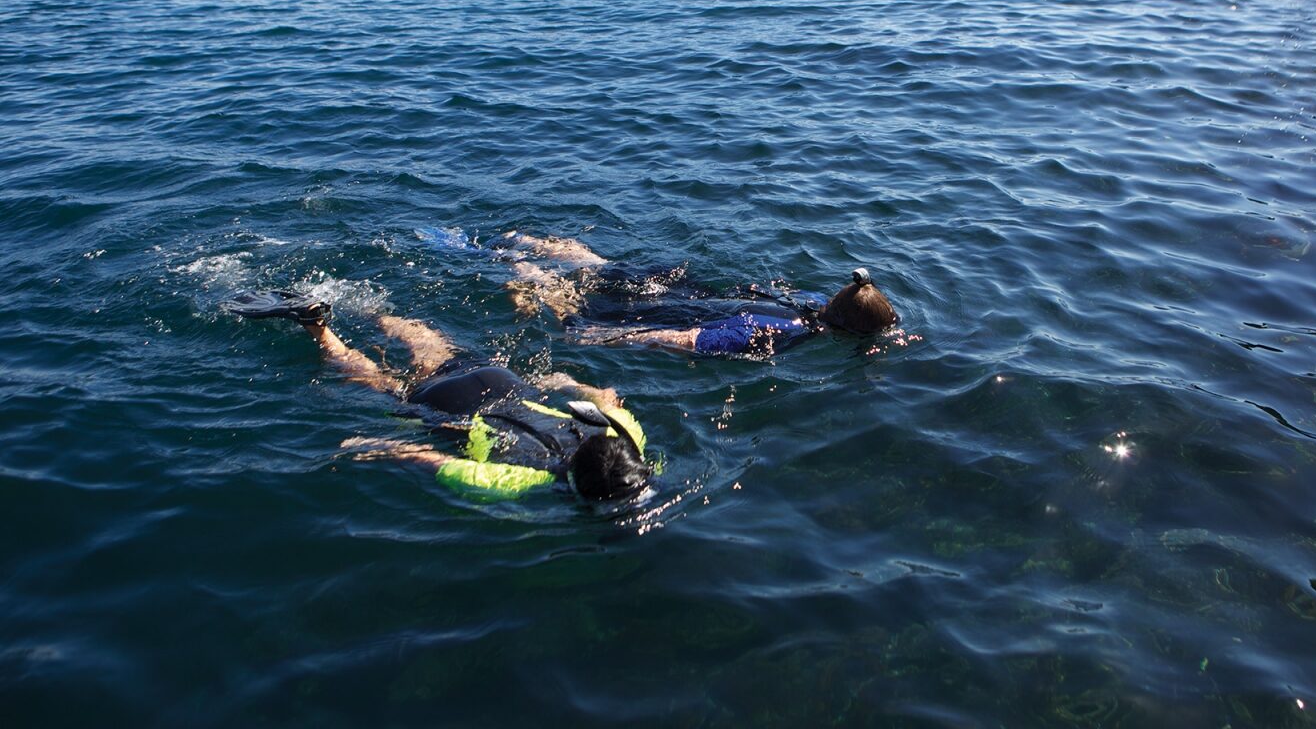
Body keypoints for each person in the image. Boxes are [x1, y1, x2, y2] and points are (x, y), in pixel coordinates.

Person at [226, 290, 651, 503]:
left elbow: (608, 396)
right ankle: (318, 326)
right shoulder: (524, 479)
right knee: (376, 380)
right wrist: (375, 447)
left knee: (427, 345)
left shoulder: (624, 435)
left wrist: (567, 383)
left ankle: (370, 310)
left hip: (500, 380)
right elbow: (433, 459)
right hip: (449, 406)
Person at [468, 231, 901, 358]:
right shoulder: (779, 333)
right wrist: (602, 339)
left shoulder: (808, 298)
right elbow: (687, 340)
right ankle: (522, 272)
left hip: (687, 291)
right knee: (571, 311)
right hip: (671, 313)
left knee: (598, 267)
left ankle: (525, 244)